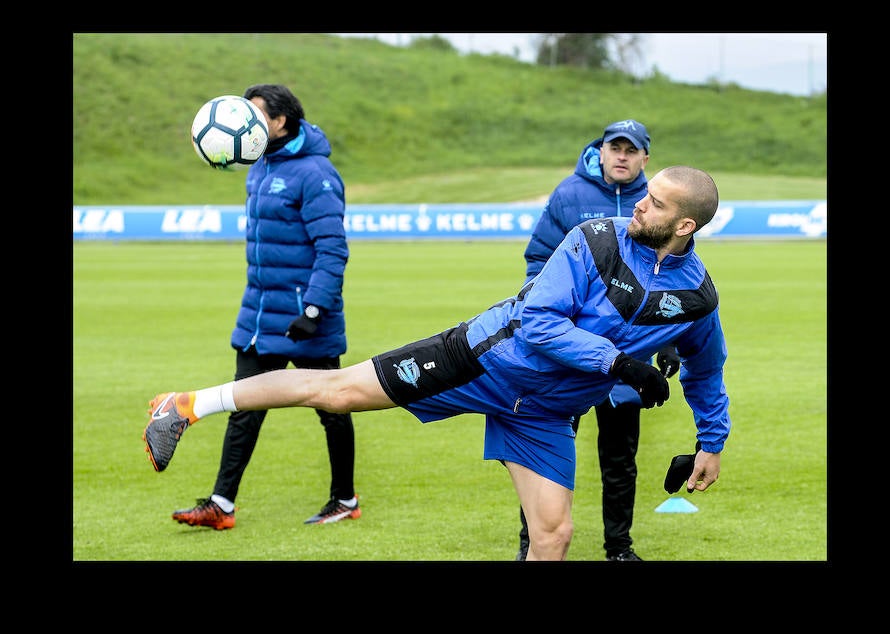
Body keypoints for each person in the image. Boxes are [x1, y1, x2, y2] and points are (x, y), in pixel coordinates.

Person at [144, 165, 731, 561]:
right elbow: (540, 322)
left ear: (685, 225)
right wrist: (620, 365)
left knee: (554, 536)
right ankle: (187, 405)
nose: (640, 203)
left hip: (545, 414)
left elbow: (706, 369)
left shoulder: (698, 298)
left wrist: (711, 443)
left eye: (656, 202)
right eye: (646, 193)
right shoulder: (595, 238)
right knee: (337, 392)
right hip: (482, 360)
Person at [168, 84, 360, 530]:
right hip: (259, 315)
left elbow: (332, 249)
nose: (247, 123)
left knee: (333, 408)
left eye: (255, 115)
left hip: (304, 318)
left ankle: (345, 499)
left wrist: (313, 310)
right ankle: (221, 505)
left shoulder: (316, 173)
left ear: (280, 121)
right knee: (243, 408)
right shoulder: (258, 166)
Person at [515, 119, 680, 561]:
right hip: (568, 353)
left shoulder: (659, 201)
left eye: (631, 150)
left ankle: (619, 549)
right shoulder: (569, 195)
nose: (622, 156)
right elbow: (538, 262)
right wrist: (549, 322)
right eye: (615, 148)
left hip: (630, 355)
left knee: (620, 457)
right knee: (545, 454)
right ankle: (531, 544)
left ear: (645, 157)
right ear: (601, 151)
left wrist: (669, 340)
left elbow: (671, 275)